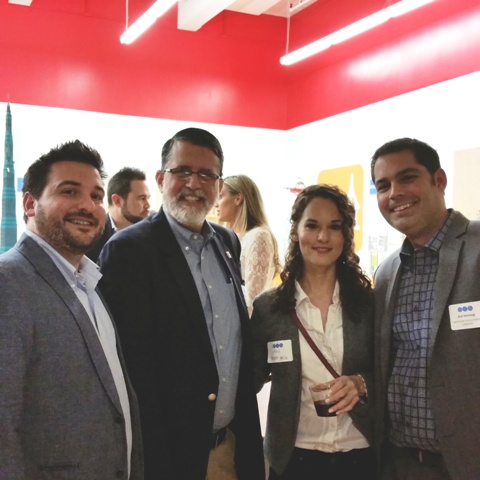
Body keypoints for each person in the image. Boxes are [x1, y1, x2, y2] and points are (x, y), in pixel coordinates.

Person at [98, 127, 265, 480]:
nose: (194, 183)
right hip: (167, 457)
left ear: (219, 185)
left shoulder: (227, 242)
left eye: (206, 175)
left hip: (228, 447)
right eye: (183, 171)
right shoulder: (129, 251)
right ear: (161, 179)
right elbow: (130, 369)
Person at [0, 140, 143, 479]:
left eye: (96, 196)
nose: (87, 206)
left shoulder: (88, 282)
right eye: (69, 191)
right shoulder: (9, 283)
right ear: (30, 203)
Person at [371, 137, 480, 480]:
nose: (395, 193)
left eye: (407, 177)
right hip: (401, 463)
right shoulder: (387, 273)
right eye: (383, 186)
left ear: (439, 180)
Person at [250, 184, 375, 480]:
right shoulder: (269, 308)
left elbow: (393, 371)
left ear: (346, 235)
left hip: (361, 454)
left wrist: (361, 383)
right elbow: (248, 379)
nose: (323, 237)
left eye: (334, 226)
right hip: (293, 458)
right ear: (296, 231)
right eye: (312, 225)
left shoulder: (369, 304)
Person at [216, 174, 281, 314]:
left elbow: (253, 299)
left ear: (238, 199)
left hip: (246, 322)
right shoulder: (231, 237)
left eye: (220, 196)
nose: (216, 203)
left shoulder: (259, 236)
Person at [87, 166, 151, 261]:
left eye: (148, 198)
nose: (148, 205)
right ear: (117, 201)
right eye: (142, 198)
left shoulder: (153, 234)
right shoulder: (91, 236)